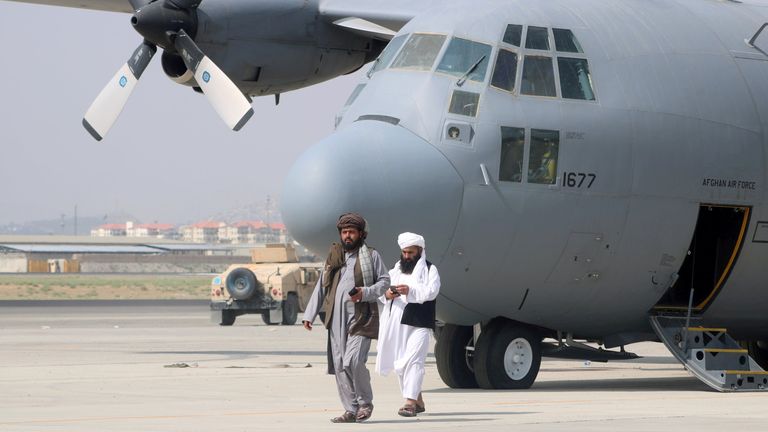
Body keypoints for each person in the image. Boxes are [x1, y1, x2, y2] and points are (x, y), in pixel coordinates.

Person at [302, 212, 390, 423]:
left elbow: (385, 282)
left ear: (361, 233)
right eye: (344, 232)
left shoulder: (371, 256)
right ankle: (351, 409)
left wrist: (365, 292)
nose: (347, 236)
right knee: (341, 364)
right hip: (336, 320)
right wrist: (309, 314)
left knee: (354, 360)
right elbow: (321, 287)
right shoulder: (334, 258)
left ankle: (365, 403)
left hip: (362, 317)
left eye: (351, 232)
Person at [375, 232, 440, 417]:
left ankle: (409, 403)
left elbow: (431, 291)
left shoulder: (430, 270)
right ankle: (418, 401)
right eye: (404, 252)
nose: (407, 256)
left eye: (410, 252)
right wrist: (388, 294)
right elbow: (382, 291)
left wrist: (410, 291)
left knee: (414, 360)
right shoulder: (395, 271)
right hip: (396, 323)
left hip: (419, 322)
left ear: (419, 251)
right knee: (401, 363)